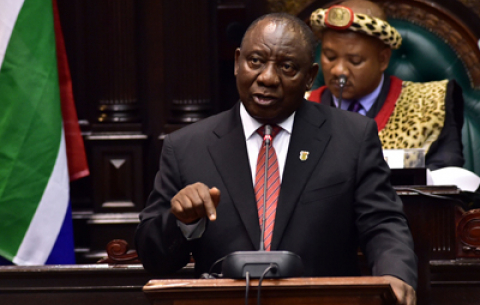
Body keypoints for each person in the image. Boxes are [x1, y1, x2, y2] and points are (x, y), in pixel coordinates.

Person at [135, 12, 417, 305]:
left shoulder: (352, 138)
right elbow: (154, 260)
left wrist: (395, 274)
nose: (267, 77)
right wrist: (181, 222)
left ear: (309, 76)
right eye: (255, 61)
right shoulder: (186, 147)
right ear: (236, 62)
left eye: (287, 67)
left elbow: (382, 223)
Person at [307, 0, 464, 171]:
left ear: (383, 59)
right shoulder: (299, 108)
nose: (338, 70)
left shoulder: (430, 105)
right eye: (329, 57)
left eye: (355, 61)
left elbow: (445, 183)